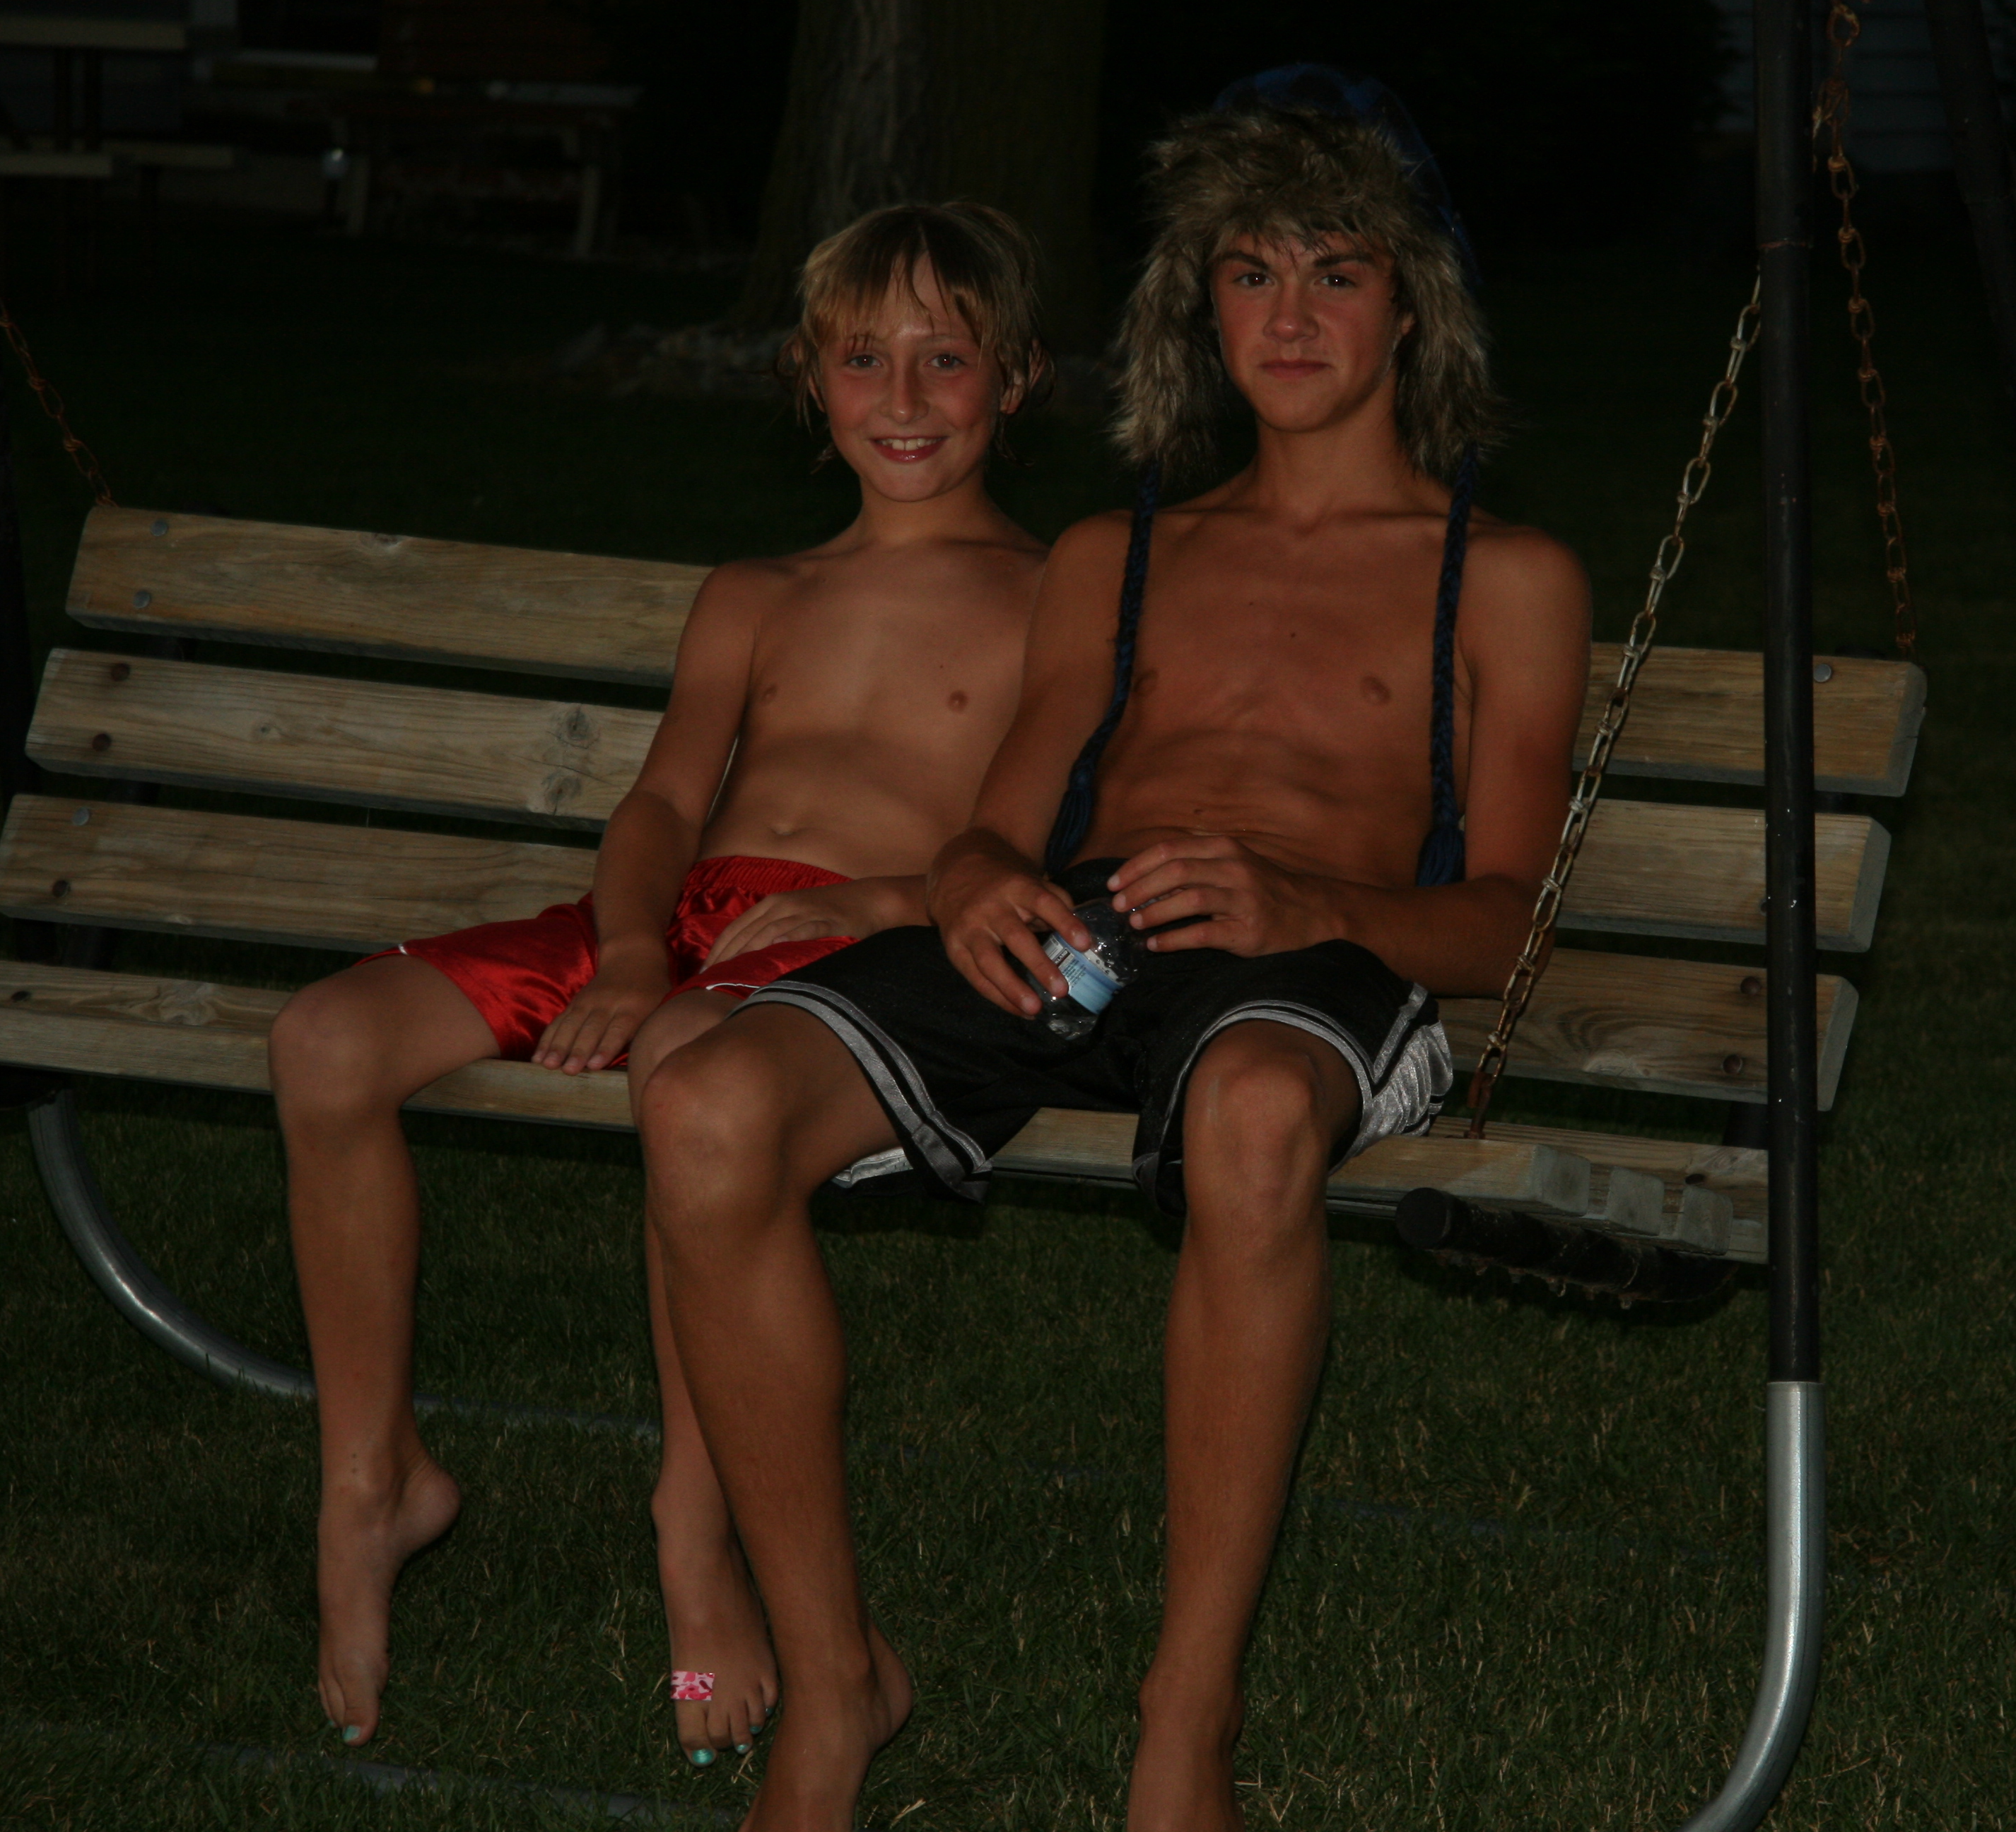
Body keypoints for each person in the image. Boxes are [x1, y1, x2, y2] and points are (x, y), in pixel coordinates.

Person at [640, 71, 1592, 1832]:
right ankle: (832, 1677)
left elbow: (1506, 917)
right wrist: (974, 881)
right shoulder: (1118, 553)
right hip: (1084, 935)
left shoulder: (1500, 573)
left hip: (1314, 955)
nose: (1290, 314)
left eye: (1337, 270)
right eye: (1250, 271)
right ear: (1196, 307)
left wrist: (1312, 906)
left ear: (1410, 304)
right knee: (705, 1108)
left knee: (1251, 1118)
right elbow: (995, 828)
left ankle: (1185, 1719)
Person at [264, 202, 1052, 1762]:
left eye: (945, 359)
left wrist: (877, 896)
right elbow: (662, 805)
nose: (902, 398)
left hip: (864, 945)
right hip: (681, 919)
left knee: (689, 1062)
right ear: (807, 379)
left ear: (1017, 380)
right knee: (324, 1038)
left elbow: (1049, 839)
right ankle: (372, 1479)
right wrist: (629, 949)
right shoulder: (757, 590)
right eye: (862, 359)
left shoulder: (1052, 594)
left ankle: (695, 1534)